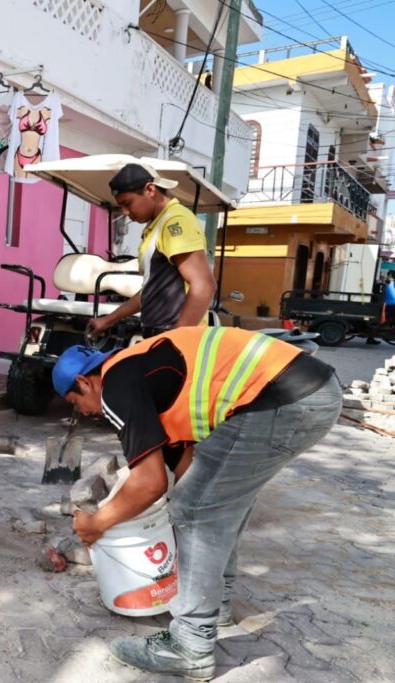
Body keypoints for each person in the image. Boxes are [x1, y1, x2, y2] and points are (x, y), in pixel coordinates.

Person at [52, 327, 340, 680]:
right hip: (310, 391)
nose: (81, 413)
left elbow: (150, 483)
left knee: (195, 508)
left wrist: (98, 523)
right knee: (214, 496)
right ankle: (215, 605)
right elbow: (186, 472)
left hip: (281, 399)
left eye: (74, 402)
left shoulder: (116, 383)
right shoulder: (141, 375)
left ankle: (190, 645)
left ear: (85, 381)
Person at [87, 163, 216, 340]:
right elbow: (150, 291)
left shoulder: (175, 221)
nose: (125, 212)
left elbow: (204, 285)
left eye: (128, 203)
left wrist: (175, 341)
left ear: (150, 190)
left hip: (176, 338)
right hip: (158, 335)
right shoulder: (156, 226)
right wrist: (108, 320)